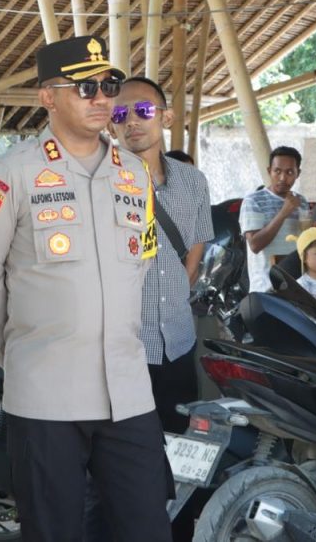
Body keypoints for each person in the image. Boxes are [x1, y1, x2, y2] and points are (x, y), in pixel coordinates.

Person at [0, 36, 173, 542]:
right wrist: (19, 349)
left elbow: (141, 264)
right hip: (47, 396)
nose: (101, 98)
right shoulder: (10, 174)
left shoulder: (133, 174)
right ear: (47, 97)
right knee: (53, 531)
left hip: (127, 391)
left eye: (109, 86)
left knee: (146, 526)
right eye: (85, 87)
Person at [108, 76, 213, 433]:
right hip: (121, 349)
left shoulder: (193, 182)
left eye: (143, 110)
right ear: (111, 125)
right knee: (122, 448)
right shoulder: (99, 182)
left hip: (178, 343)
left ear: (166, 117)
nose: (131, 121)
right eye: (120, 114)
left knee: (176, 443)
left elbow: (193, 259)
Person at [241, 145, 309, 292]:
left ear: (298, 173)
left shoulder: (302, 202)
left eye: (289, 172)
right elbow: (255, 245)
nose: (283, 178)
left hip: (297, 286)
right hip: (265, 288)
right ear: (269, 171)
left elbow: (304, 243)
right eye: (277, 171)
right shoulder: (253, 201)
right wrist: (284, 213)